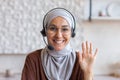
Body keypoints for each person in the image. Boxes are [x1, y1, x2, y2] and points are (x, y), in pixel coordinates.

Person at [21, 8, 98, 80]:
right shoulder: (33, 59)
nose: (58, 35)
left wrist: (88, 72)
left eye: (65, 29)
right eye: (52, 28)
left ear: (72, 33)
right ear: (45, 32)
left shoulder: (81, 60)